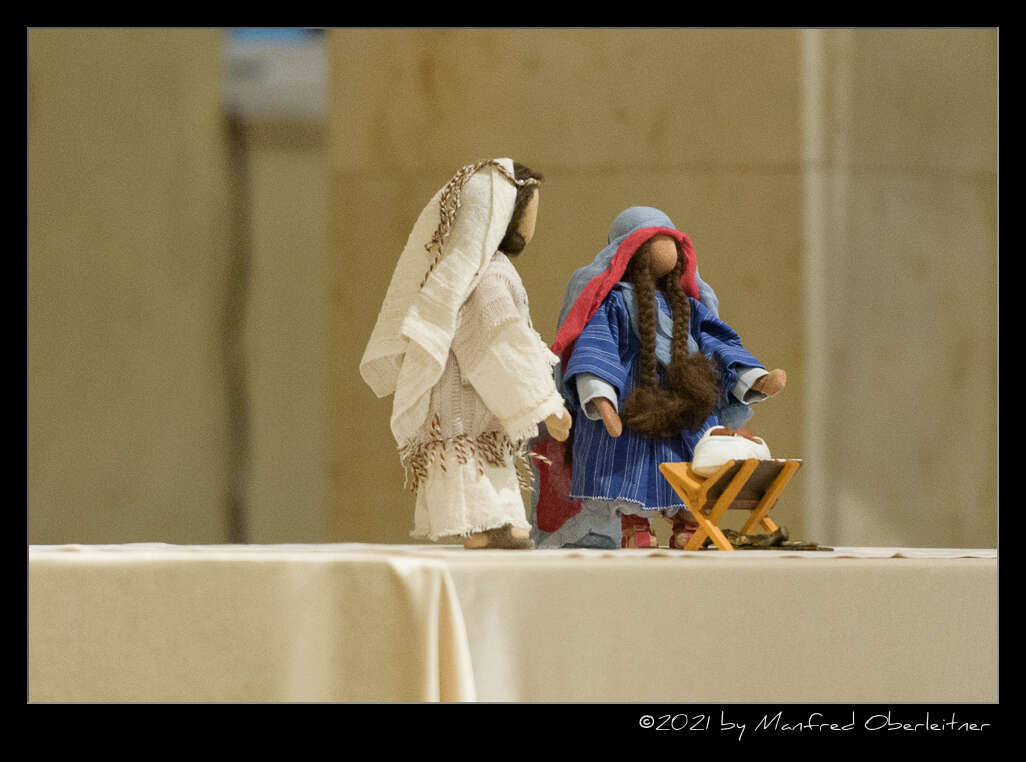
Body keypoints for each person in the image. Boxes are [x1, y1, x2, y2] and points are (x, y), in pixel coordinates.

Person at [531, 207, 785, 549]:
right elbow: (596, 347)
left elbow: (718, 343)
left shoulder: (688, 307)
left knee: (692, 460)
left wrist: (753, 377)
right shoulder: (614, 304)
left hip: (685, 404)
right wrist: (601, 399)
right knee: (628, 463)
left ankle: (688, 522)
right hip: (631, 403)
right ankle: (634, 523)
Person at [361, 159, 571, 549]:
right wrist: (546, 404)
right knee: (474, 459)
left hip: (467, 399)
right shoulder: (487, 276)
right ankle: (483, 526)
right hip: (468, 399)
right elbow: (501, 342)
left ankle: (494, 525)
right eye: (529, 210)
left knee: (484, 461)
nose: (532, 223)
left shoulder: (463, 272)